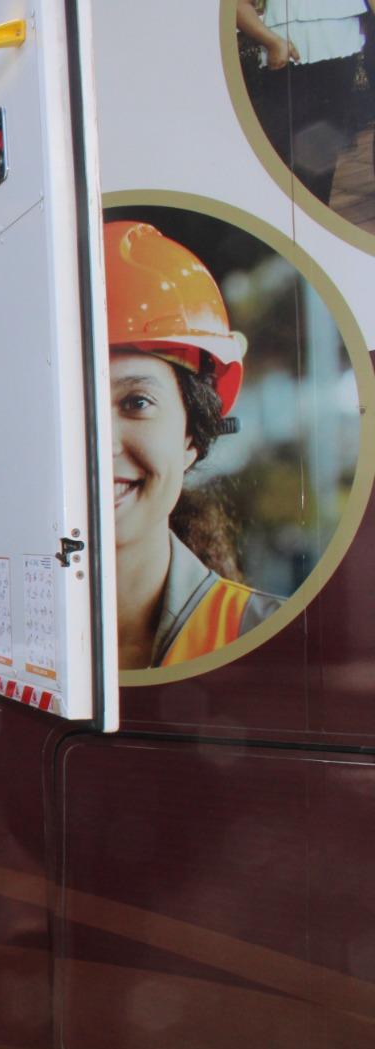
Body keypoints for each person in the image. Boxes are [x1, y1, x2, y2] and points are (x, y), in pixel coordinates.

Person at [105, 220, 283, 669]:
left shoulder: (272, 641)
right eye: (66, 406)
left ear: (191, 438)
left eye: (136, 402)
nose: (100, 445)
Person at [237, 0, 374, 207]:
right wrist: (271, 41)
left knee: (324, 156)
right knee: (287, 160)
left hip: (343, 39)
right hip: (288, 48)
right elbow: (236, 5)